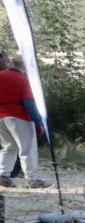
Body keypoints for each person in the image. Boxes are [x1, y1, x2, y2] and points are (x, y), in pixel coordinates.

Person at [0, 54, 47, 188]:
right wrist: (39, 122)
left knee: (8, 147)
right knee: (27, 149)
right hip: (19, 117)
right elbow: (29, 103)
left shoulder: (1, 75)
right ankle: (32, 180)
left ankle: (3, 176)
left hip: (1, 117)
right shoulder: (22, 79)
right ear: (25, 65)